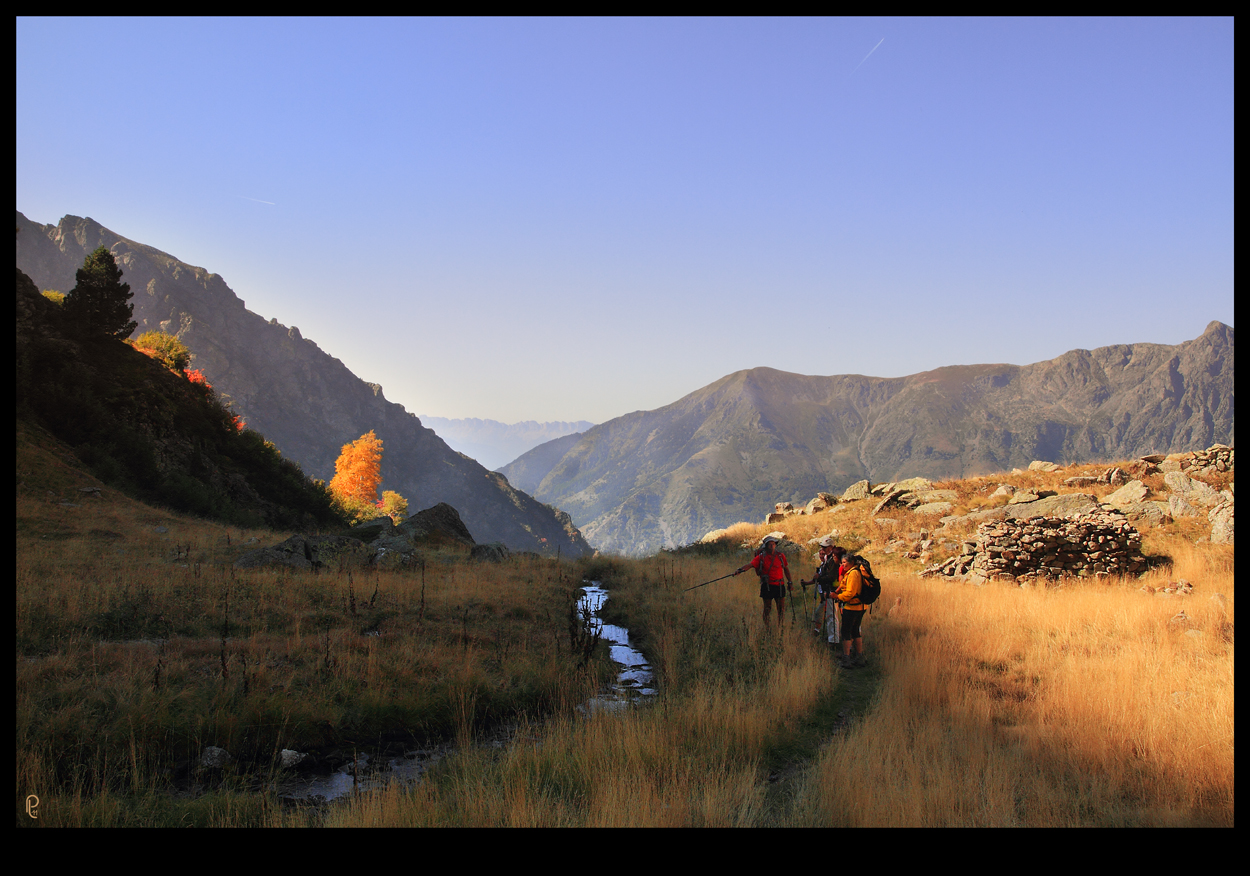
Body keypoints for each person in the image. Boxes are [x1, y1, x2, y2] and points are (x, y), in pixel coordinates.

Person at [734, 535, 793, 631]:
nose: (772, 546)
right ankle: (767, 628)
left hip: (779, 585)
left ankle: (781, 628)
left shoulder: (780, 556)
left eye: (773, 544)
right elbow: (750, 565)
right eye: (770, 544)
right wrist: (740, 570)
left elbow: (786, 569)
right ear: (765, 546)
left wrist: (790, 582)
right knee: (767, 609)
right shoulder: (760, 558)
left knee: (781, 609)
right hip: (767, 586)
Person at [800, 538, 842, 646]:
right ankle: (832, 639)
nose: (823, 549)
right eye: (822, 547)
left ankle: (834, 641)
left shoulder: (834, 560)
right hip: (828, 592)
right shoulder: (829, 559)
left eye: (825, 547)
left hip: (831, 592)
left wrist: (820, 577)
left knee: (831, 616)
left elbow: (832, 577)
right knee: (829, 616)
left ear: (831, 547)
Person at [834, 551, 868, 668]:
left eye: (844, 563)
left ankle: (846, 658)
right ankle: (859, 657)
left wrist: (838, 597)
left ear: (851, 562)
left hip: (852, 607)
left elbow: (850, 593)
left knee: (846, 632)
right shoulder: (854, 572)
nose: (842, 565)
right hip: (860, 606)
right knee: (855, 631)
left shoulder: (853, 574)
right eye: (842, 563)